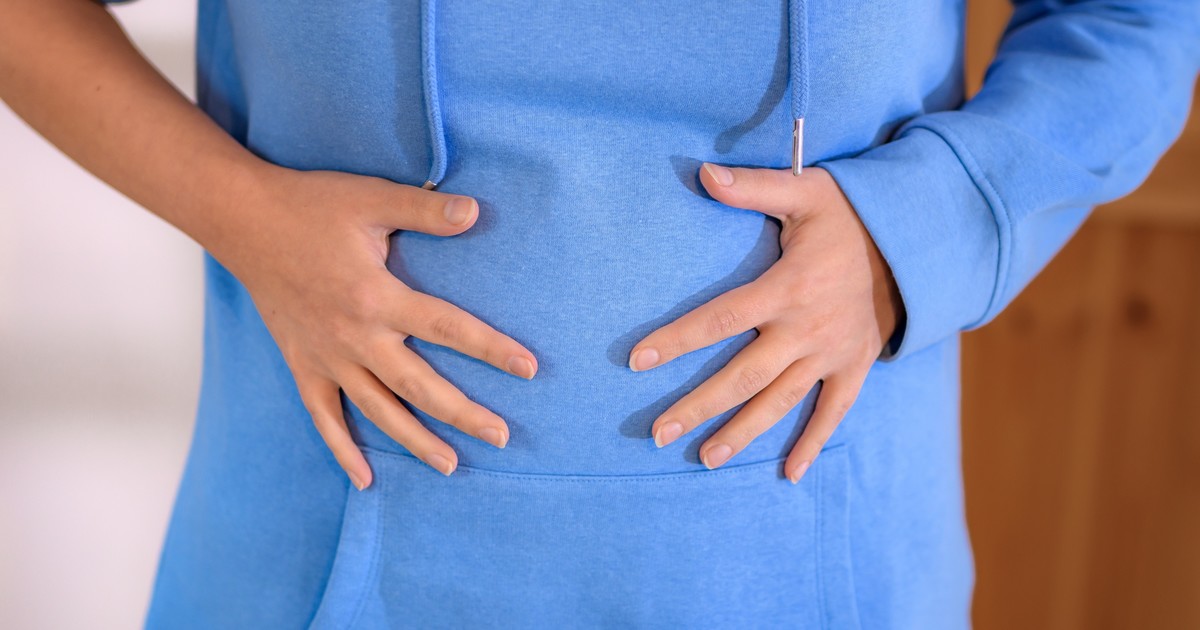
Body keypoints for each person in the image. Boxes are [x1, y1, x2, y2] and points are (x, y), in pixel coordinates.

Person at [2, 0, 1197, 627]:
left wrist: (919, 229)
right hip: (325, 546)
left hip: (807, 559)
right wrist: (244, 215)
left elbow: (1136, 16)